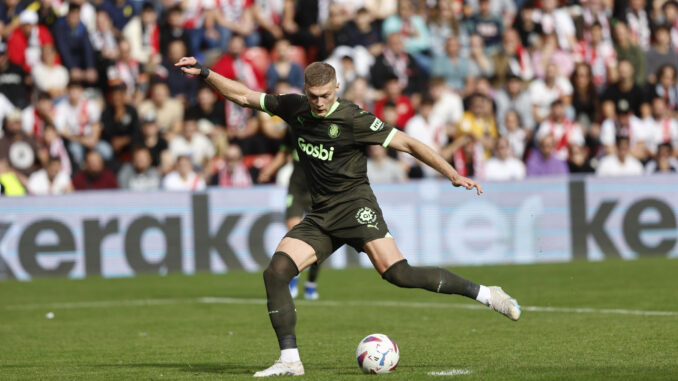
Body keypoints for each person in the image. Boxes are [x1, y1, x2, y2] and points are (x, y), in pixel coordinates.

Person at [176, 57, 522, 377]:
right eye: (313, 96)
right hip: (322, 215)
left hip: (357, 209)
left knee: (399, 274)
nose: (319, 103)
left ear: (336, 88)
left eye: (325, 95)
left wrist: (452, 174)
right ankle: (290, 360)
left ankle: (487, 294)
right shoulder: (295, 108)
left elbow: (410, 144)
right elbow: (245, 97)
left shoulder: (355, 119)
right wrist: (206, 73)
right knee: (276, 273)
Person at [258, 129, 320, 300]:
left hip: (318, 190)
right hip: (297, 189)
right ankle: (295, 275)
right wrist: (269, 170)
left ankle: (311, 283)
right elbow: (283, 153)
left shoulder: (323, 128)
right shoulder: (292, 128)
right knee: (295, 233)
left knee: (318, 239)